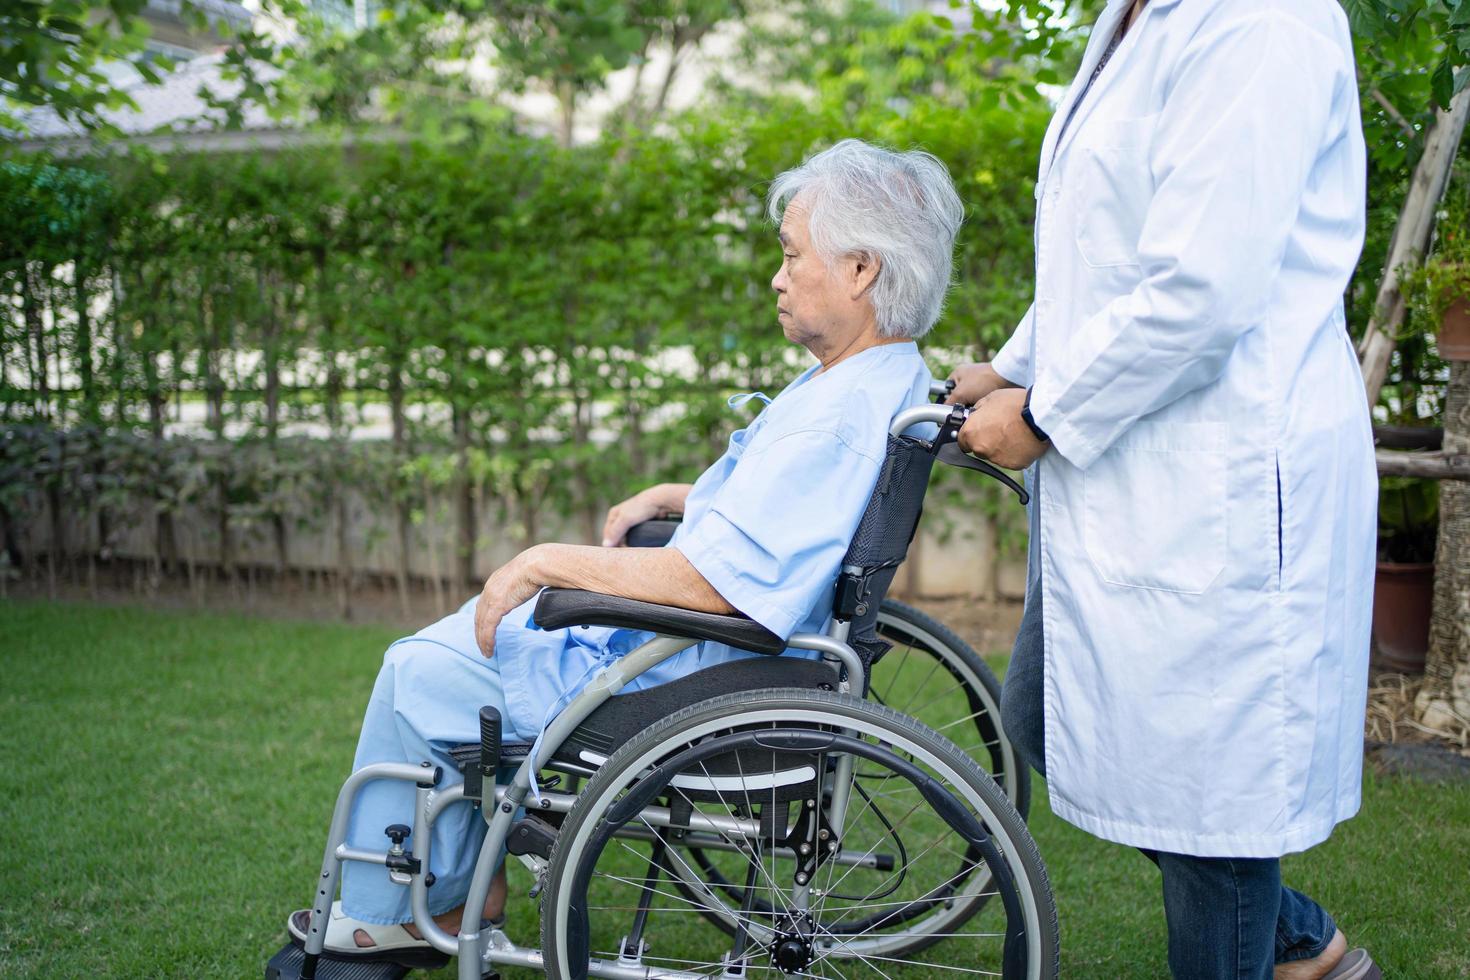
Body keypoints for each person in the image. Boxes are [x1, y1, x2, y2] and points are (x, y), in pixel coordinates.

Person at [286, 138, 964, 964]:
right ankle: (466, 883)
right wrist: (682, 499)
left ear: (860, 270)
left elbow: (714, 584)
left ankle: (388, 911)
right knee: (470, 639)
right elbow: (787, 517)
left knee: (421, 669)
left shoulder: (835, 412)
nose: (778, 277)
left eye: (793, 255)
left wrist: (544, 560)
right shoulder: (875, 381)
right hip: (734, 657)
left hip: (691, 673)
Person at [947, 1, 1379, 978]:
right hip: (1139, 466)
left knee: (1208, 804)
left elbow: (1200, 287)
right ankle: (1301, 938)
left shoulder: (1264, 21)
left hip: (1226, 472)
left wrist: (1046, 409)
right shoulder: (1135, 15)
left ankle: (1275, 946)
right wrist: (1012, 366)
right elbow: (1105, 259)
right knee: (1042, 716)